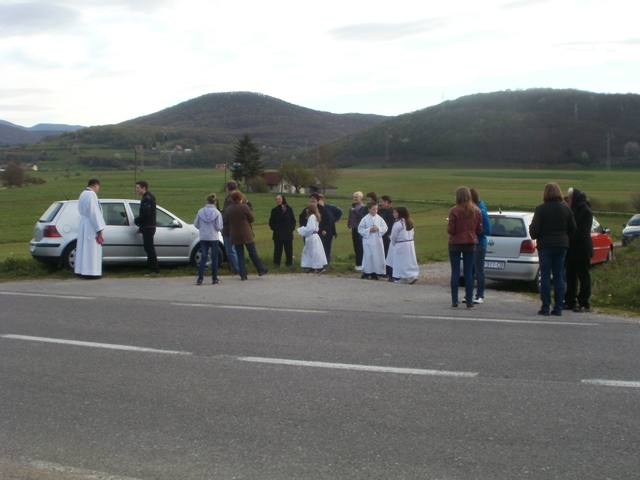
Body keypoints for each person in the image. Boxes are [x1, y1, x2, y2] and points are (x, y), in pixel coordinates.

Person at [529, 182, 576, 316]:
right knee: (559, 276)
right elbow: (573, 228)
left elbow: (534, 232)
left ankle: (545, 306)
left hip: (545, 245)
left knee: (545, 276)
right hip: (561, 245)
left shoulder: (541, 209)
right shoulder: (566, 209)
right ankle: (559, 307)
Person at [448, 186, 482, 309]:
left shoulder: (454, 210)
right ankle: (469, 301)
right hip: (470, 242)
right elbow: (479, 229)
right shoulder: (477, 211)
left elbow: (451, 230)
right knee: (469, 272)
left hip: (455, 242)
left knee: (455, 272)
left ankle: (454, 301)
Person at [224, 190, 268, 280]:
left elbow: (227, 221)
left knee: (240, 254)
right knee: (252, 252)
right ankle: (260, 269)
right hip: (246, 233)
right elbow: (252, 219)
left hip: (235, 234)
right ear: (240, 198)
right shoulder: (244, 207)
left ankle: (243, 274)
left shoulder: (228, 209)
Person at [564, 187, 594, 313]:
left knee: (583, 277)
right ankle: (570, 300)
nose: (568, 200)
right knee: (570, 276)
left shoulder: (585, 211)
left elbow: (581, 232)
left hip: (581, 249)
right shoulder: (573, 210)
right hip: (571, 250)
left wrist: (567, 238)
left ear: (575, 198)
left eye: (570, 198)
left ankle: (584, 302)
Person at [74, 178, 106, 278]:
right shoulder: (91, 195)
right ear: (95, 185)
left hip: (84, 223)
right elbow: (94, 212)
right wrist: (99, 228)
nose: (97, 190)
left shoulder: (83, 194)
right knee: (91, 249)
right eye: (98, 187)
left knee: (83, 248)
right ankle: (91, 271)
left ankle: (82, 269)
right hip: (90, 226)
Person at [194, 193, 223, 285]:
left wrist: (202, 228)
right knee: (215, 257)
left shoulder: (200, 211)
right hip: (213, 237)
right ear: (214, 202)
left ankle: (200, 278)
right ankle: (214, 278)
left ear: (207, 201)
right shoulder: (217, 213)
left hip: (203, 237)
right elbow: (218, 227)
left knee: (203, 257)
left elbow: (196, 224)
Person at [386, 206, 419, 284]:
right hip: (410, 243)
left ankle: (404, 276)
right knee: (409, 260)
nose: (393, 214)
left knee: (400, 261)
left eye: (395, 212)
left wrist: (392, 241)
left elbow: (394, 236)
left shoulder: (398, 223)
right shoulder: (409, 222)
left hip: (400, 244)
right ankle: (411, 275)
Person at [470, 189, 491, 304]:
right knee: (470, 270)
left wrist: (475, 232)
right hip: (471, 243)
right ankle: (469, 293)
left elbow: (488, 230)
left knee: (479, 270)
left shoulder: (481, 212)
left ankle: (480, 295)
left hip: (480, 243)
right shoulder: (470, 210)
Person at [358, 202, 388, 280]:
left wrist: (378, 228)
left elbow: (385, 227)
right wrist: (369, 230)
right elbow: (360, 229)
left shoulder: (379, 218)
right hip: (368, 239)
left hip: (377, 240)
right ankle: (367, 272)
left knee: (377, 255)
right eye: (373, 209)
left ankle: (376, 272)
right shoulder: (365, 219)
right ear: (369, 209)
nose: (375, 211)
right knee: (369, 255)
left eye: (376, 209)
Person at [135, 180, 159, 276]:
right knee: (148, 248)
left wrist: (137, 220)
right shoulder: (146, 197)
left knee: (149, 248)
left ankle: (154, 269)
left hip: (148, 227)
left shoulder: (147, 199)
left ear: (144, 188)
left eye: (138, 188)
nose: (137, 190)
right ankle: (152, 268)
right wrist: (141, 227)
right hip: (147, 227)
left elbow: (146, 214)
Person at [221, 181, 245, 274]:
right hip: (240, 227)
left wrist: (222, 216)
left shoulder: (231, 199)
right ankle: (240, 267)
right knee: (237, 249)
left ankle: (237, 269)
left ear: (228, 188)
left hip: (229, 228)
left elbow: (227, 214)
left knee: (231, 250)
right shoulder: (242, 196)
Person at [297, 203, 328, 274]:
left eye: (307, 209)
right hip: (314, 236)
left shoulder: (311, 217)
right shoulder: (315, 216)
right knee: (310, 252)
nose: (306, 211)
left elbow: (310, 228)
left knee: (314, 252)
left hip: (312, 237)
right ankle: (311, 266)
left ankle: (319, 268)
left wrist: (303, 230)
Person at [268, 194, 296, 267]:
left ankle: (289, 264)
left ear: (283, 199)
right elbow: (271, 222)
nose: (278, 200)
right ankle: (276, 264)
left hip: (288, 234)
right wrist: (275, 229)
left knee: (289, 250)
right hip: (278, 234)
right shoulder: (274, 210)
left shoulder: (289, 209)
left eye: (280, 199)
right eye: (277, 199)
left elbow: (293, 220)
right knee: (277, 250)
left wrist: (291, 229)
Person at [309, 192, 335, 264]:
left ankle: (324, 263)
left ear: (317, 200)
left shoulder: (323, 209)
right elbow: (303, 219)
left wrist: (325, 229)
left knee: (323, 248)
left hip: (321, 232)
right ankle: (312, 263)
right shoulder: (308, 208)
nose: (312, 200)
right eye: (311, 199)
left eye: (313, 199)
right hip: (311, 233)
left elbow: (328, 221)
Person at [347, 191, 368, 271]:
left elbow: (362, 217)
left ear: (360, 198)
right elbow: (351, 216)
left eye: (356, 197)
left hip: (359, 228)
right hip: (354, 227)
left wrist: (354, 211)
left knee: (359, 247)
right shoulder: (353, 206)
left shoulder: (362, 207)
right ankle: (357, 263)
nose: (354, 199)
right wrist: (349, 223)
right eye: (354, 197)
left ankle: (360, 263)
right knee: (355, 246)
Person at [378, 195, 395, 279]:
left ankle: (388, 271)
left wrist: (390, 233)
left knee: (387, 252)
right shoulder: (381, 211)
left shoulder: (391, 211)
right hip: (381, 234)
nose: (380, 203)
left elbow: (392, 224)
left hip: (387, 235)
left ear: (387, 202)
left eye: (381, 201)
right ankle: (381, 270)